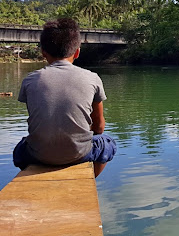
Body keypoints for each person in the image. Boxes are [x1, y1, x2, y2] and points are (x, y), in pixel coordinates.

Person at [12, 18, 116, 177]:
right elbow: (99, 127)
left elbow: (39, 121)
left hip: (39, 155)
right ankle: (88, 178)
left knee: (19, 149)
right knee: (107, 143)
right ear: (77, 52)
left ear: (43, 53)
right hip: (79, 154)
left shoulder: (30, 80)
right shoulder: (92, 78)